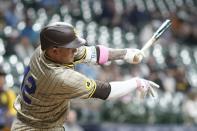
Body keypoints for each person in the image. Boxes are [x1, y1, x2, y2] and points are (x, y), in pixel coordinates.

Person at [11, 22, 159, 131]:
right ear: (55, 51)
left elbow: (91, 53)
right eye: (71, 47)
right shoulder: (59, 77)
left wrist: (125, 54)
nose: (75, 50)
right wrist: (136, 82)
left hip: (38, 122)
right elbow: (105, 91)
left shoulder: (43, 51)